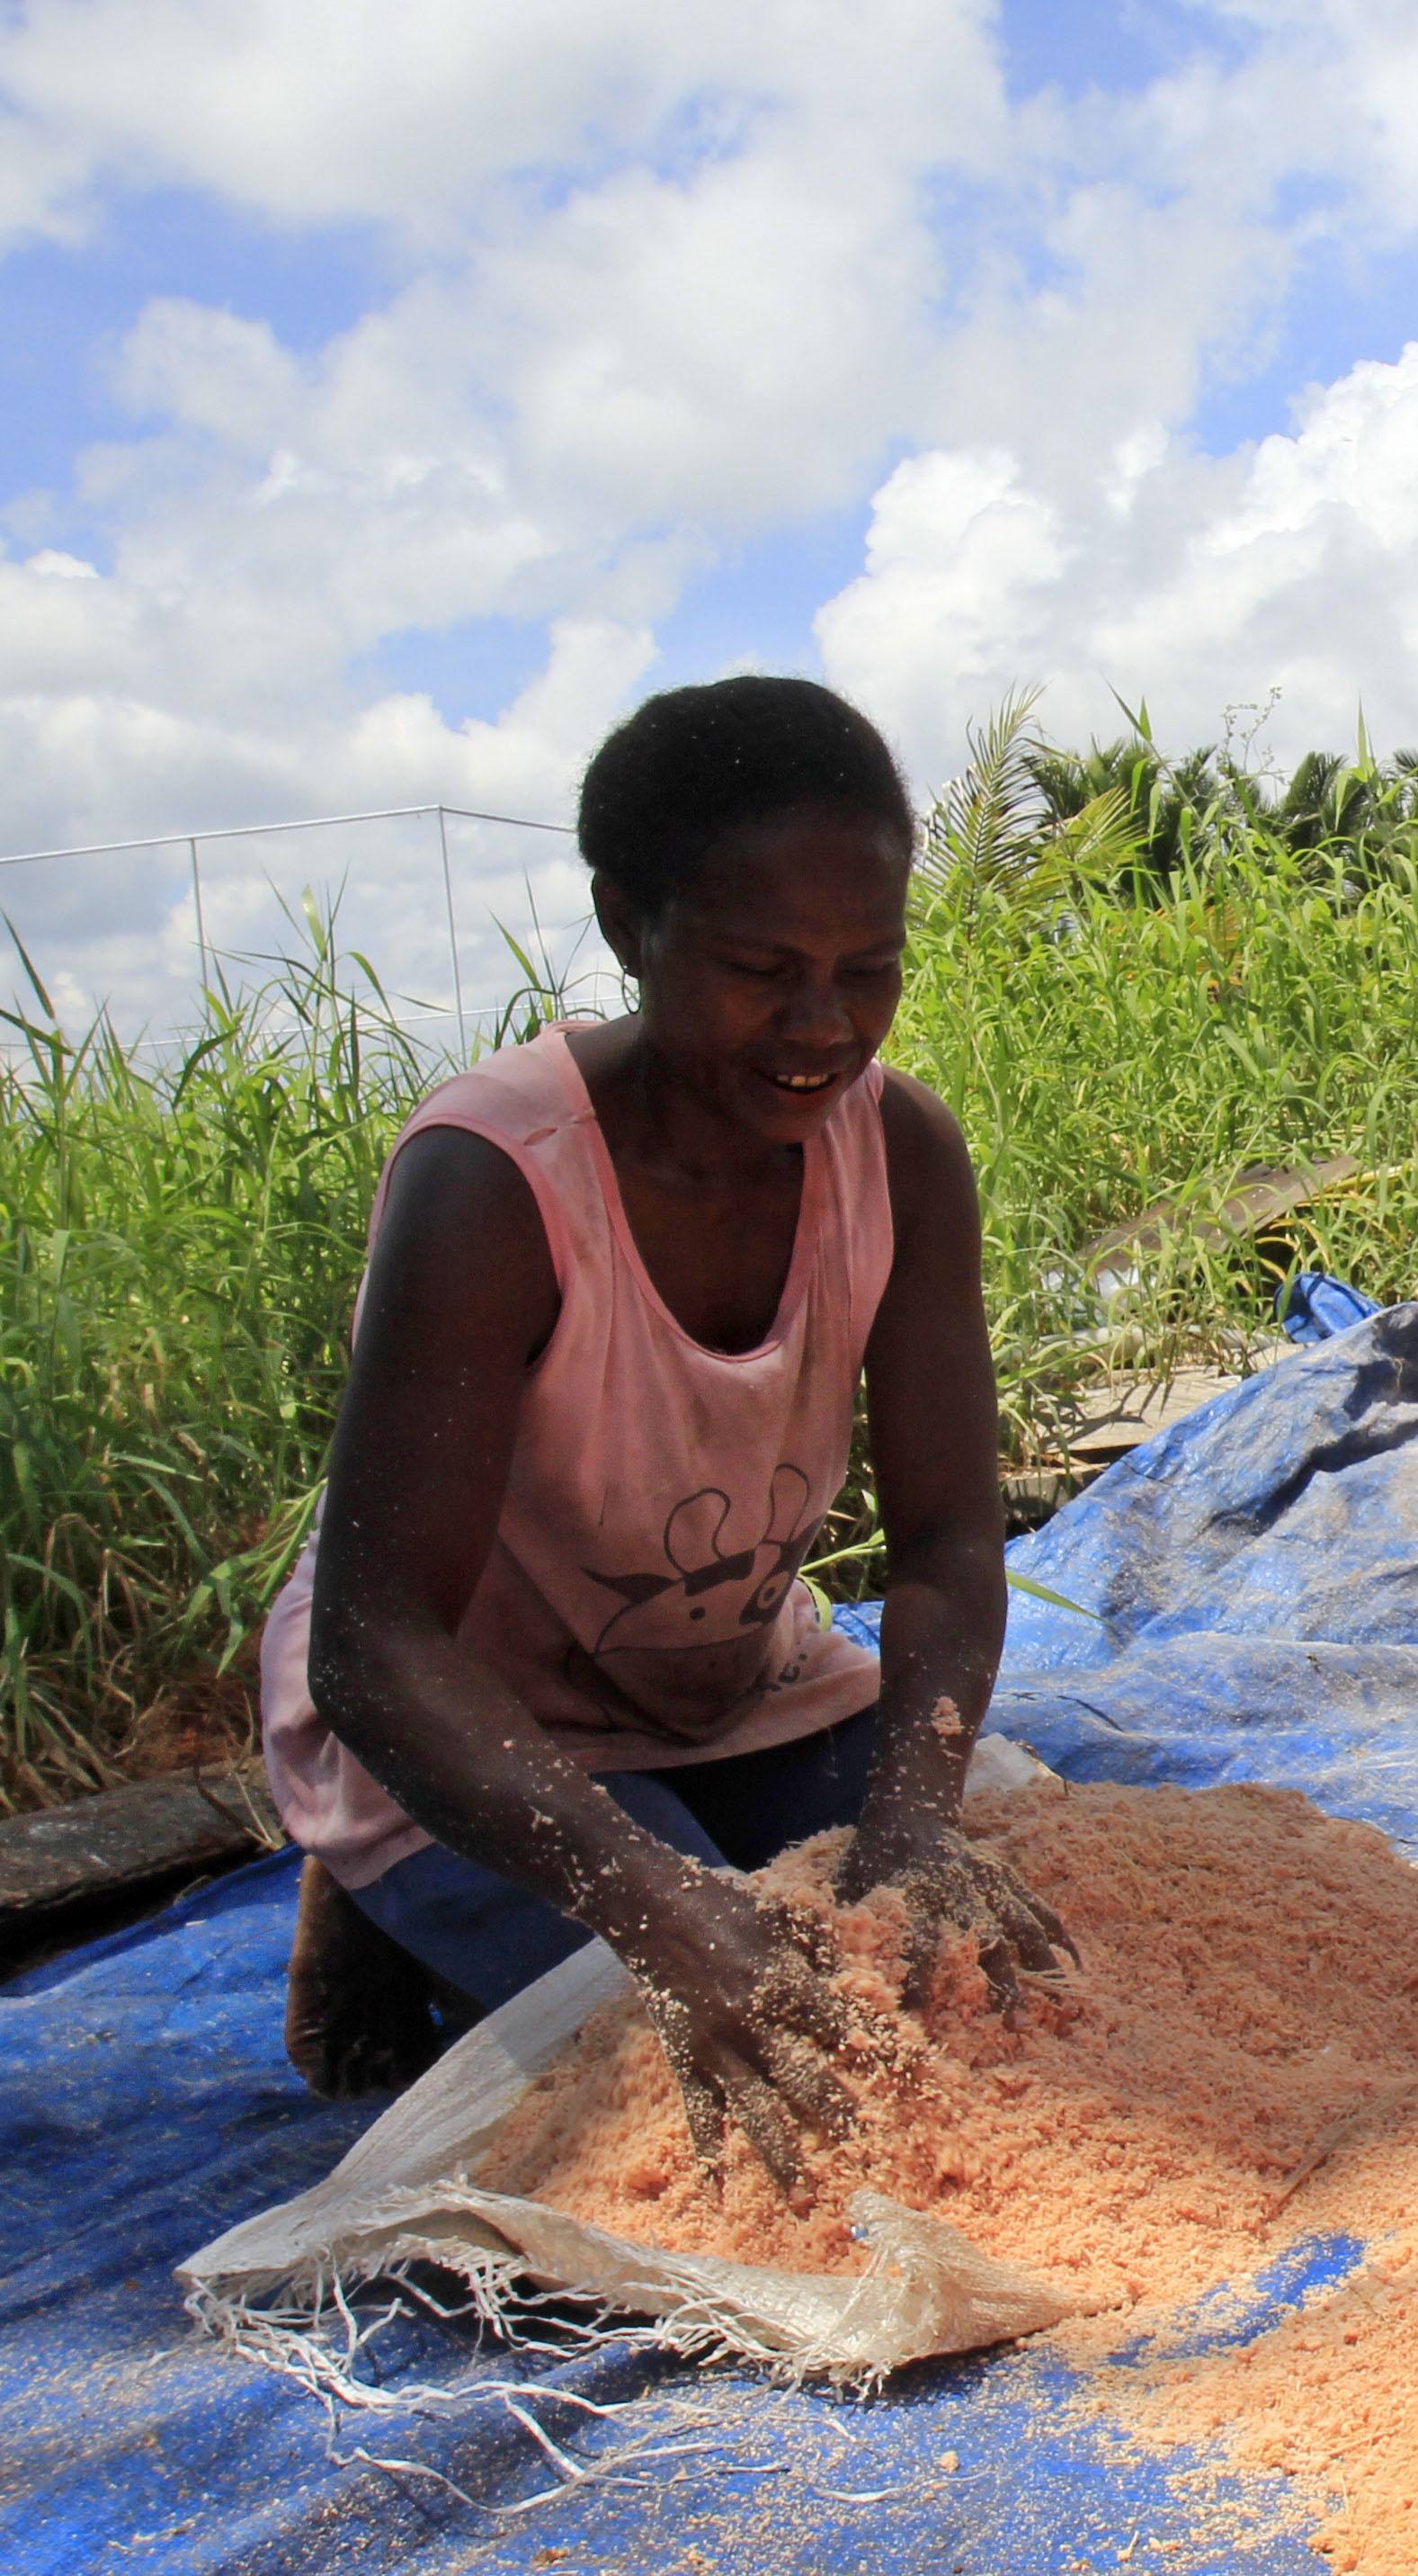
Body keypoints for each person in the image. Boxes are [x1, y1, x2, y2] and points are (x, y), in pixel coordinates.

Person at [262, 675, 1067, 2190]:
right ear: (631, 924)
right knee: (702, 2064)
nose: (822, 1025)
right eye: (763, 968)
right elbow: (373, 1641)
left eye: (868, 969)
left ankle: (621, 1849)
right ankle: (370, 1867)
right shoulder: (494, 1181)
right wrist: (652, 1896)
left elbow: (954, 1540)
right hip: (461, 1712)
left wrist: (910, 1817)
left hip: (726, 1675)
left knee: (1005, 1895)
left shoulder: (899, 1151)